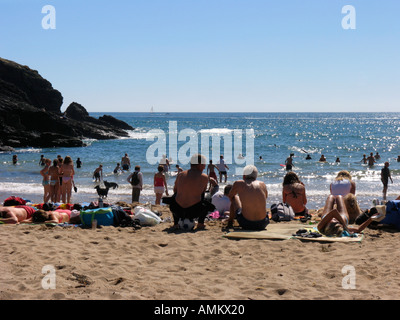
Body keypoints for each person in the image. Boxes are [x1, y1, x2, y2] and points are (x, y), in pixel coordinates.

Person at [169, 153, 211, 230]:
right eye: (204, 164)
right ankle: (200, 223)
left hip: (178, 211)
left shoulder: (181, 174)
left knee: (174, 196)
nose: (205, 166)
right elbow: (202, 193)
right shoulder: (204, 177)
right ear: (199, 164)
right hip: (193, 212)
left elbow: (175, 190)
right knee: (208, 196)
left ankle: (176, 223)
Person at [226, 165, 269, 230]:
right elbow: (265, 198)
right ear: (256, 176)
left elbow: (230, 196)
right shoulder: (262, 184)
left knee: (234, 197)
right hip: (263, 223)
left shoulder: (238, 183)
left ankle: (230, 221)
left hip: (246, 223)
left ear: (244, 175)